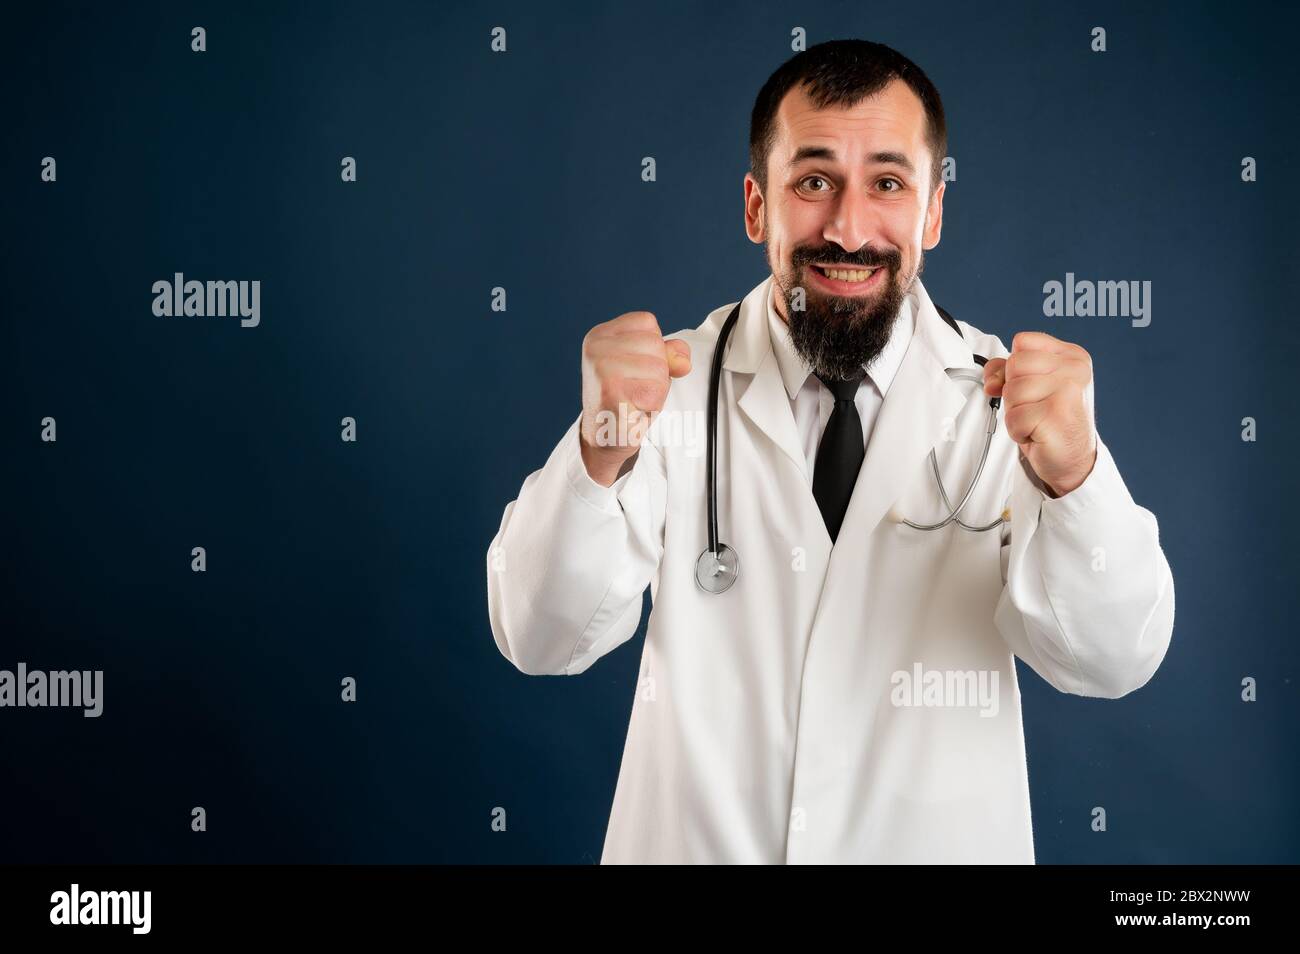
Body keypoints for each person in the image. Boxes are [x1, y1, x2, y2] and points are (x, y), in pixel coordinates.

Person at [485, 39, 1174, 864]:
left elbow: (1113, 659)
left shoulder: (1008, 406)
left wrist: (1076, 479)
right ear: (756, 207)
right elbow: (539, 636)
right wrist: (601, 453)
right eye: (813, 181)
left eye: (888, 183)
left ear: (933, 213)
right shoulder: (667, 390)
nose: (848, 229)